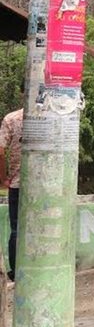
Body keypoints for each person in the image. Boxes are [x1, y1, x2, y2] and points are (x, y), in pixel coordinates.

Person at [0, 99, 22, 282]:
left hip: (17, 184)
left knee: (17, 228)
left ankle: (16, 271)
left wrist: (4, 177)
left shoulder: (11, 119)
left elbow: (0, 151)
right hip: (46, 187)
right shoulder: (51, 118)